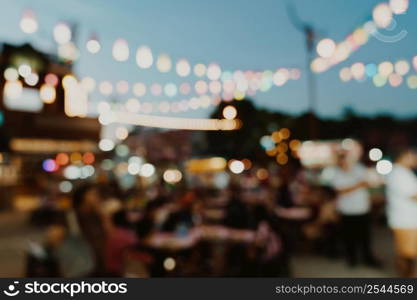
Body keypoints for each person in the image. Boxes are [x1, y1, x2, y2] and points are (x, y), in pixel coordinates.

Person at [330, 151, 379, 267]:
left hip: (362, 208)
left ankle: (367, 258)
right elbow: (340, 190)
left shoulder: (359, 168)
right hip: (347, 211)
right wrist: (359, 185)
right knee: (349, 237)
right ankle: (352, 259)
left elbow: (370, 181)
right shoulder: (336, 173)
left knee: (365, 237)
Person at [386, 148, 417, 277]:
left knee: (406, 253)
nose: (415, 159)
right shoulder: (399, 173)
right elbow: (413, 195)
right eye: (413, 156)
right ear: (404, 156)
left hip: (407, 219)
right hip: (405, 221)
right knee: (407, 255)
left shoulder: (403, 172)